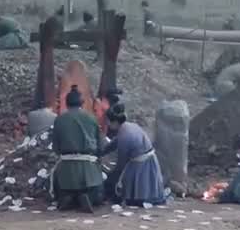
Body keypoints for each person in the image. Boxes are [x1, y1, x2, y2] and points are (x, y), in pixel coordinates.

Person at [50, 85, 103, 213]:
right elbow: (99, 144)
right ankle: (86, 197)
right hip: (88, 166)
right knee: (99, 193)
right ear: (82, 103)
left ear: (66, 103)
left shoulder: (59, 120)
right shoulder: (91, 118)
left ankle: (69, 198)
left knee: (60, 189)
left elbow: (56, 147)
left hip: (66, 167)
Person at [103, 104, 166, 206]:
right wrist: (102, 151)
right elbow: (114, 143)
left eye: (108, 122)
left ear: (115, 122)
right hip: (148, 158)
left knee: (118, 179)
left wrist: (111, 177)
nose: (108, 124)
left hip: (141, 163)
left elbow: (121, 165)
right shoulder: (129, 126)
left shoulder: (124, 135)